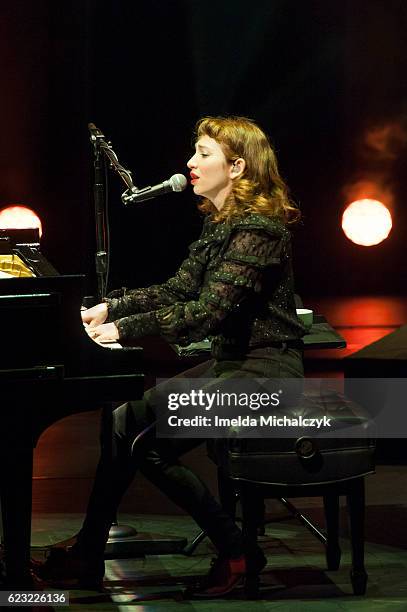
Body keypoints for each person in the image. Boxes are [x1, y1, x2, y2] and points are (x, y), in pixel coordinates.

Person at [37, 116, 306, 597]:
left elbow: (208, 312)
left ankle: (237, 549)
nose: (190, 163)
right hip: (234, 364)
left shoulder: (260, 230)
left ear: (238, 166)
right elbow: (178, 289)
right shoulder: (221, 223)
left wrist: (124, 327)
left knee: (147, 444)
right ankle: (90, 553)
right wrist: (110, 307)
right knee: (126, 419)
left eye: (203, 153)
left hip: (268, 373)